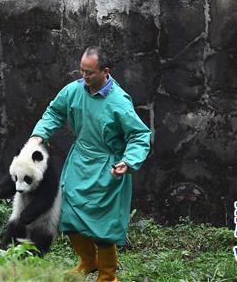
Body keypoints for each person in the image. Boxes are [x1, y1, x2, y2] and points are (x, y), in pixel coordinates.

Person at [29, 47, 151, 281]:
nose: (83, 76)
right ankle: (88, 261)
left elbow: (139, 135)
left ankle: (107, 275)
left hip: (108, 168)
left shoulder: (119, 101)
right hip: (80, 160)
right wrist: (39, 135)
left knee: (103, 227)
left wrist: (128, 161)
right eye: (81, 71)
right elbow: (54, 112)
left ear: (105, 72)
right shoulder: (74, 91)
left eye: (89, 72)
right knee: (68, 215)